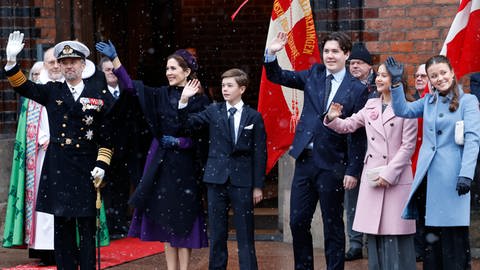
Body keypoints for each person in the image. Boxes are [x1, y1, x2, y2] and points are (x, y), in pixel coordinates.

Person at [4, 31, 114, 269]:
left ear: (83, 64)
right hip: (59, 170)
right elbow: (24, 87)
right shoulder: (52, 91)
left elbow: (107, 137)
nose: (68, 67)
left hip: (86, 169)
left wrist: (101, 164)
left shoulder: (98, 94)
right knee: (62, 232)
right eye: (64, 63)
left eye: (73, 62)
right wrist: (12, 64)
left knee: (86, 232)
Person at [96, 41, 209, 270]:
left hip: (186, 166)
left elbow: (201, 134)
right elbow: (130, 88)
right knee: (166, 220)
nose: (169, 73)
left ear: (187, 72)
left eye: (174, 69)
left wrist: (184, 113)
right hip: (162, 164)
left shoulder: (200, 99)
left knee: (182, 220)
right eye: (167, 68)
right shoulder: (160, 94)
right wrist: (116, 60)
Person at [264, 31, 368, 270]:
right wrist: (271, 53)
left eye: (335, 51)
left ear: (347, 54)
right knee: (298, 221)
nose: (329, 56)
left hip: (333, 163)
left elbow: (358, 135)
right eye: (327, 51)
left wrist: (353, 169)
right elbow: (278, 76)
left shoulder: (358, 89)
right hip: (305, 160)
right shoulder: (314, 74)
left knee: (332, 225)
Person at [388, 55, 480, 270]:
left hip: (454, 179)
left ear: (452, 73)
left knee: (454, 238)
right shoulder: (428, 101)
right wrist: (395, 83)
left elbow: (473, 139)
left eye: (443, 73)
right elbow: (402, 110)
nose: (439, 79)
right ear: (429, 80)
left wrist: (466, 173)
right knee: (432, 241)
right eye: (434, 76)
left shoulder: (468, 101)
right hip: (429, 180)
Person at [325, 62, 418, 270]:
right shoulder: (370, 105)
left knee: (395, 235)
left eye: (384, 75)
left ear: (396, 79)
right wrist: (332, 119)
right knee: (375, 234)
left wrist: (390, 173)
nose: (378, 79)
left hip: (396, 177)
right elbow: (349, 125)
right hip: (373, 177)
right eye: (378, 75)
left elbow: (408, 147)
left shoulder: (408, 107)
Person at [178, 68, 267, 270]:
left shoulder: (254, 117)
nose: (225, 89)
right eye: (223, 85)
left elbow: (259, 153)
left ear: (242, 89)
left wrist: (258, 186)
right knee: (217, 233)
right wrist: (184, 101)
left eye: (230, 85)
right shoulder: (214, 110)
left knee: (245, 233)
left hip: (242, 181)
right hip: (216, 180)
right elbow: (188, 125)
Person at [344, 42, 375, 261]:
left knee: (373, 198)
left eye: (359, 63)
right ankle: (354, 242)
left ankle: (372, 241)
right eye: (351, 63)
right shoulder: (343, 85)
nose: (354, 66)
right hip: (348, 148)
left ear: (370, 66)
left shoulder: (378, 85)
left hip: (375, 150)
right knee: (351, 199)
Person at [97, 56, 131, 239]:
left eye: (113, 69)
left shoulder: (127, 91)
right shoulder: (98, 93)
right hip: (105, 149)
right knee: (106, 188)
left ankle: (120, 222)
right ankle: (109, 224)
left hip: (125, 149)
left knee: (123, 187)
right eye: (107, 70)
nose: (111, 72)